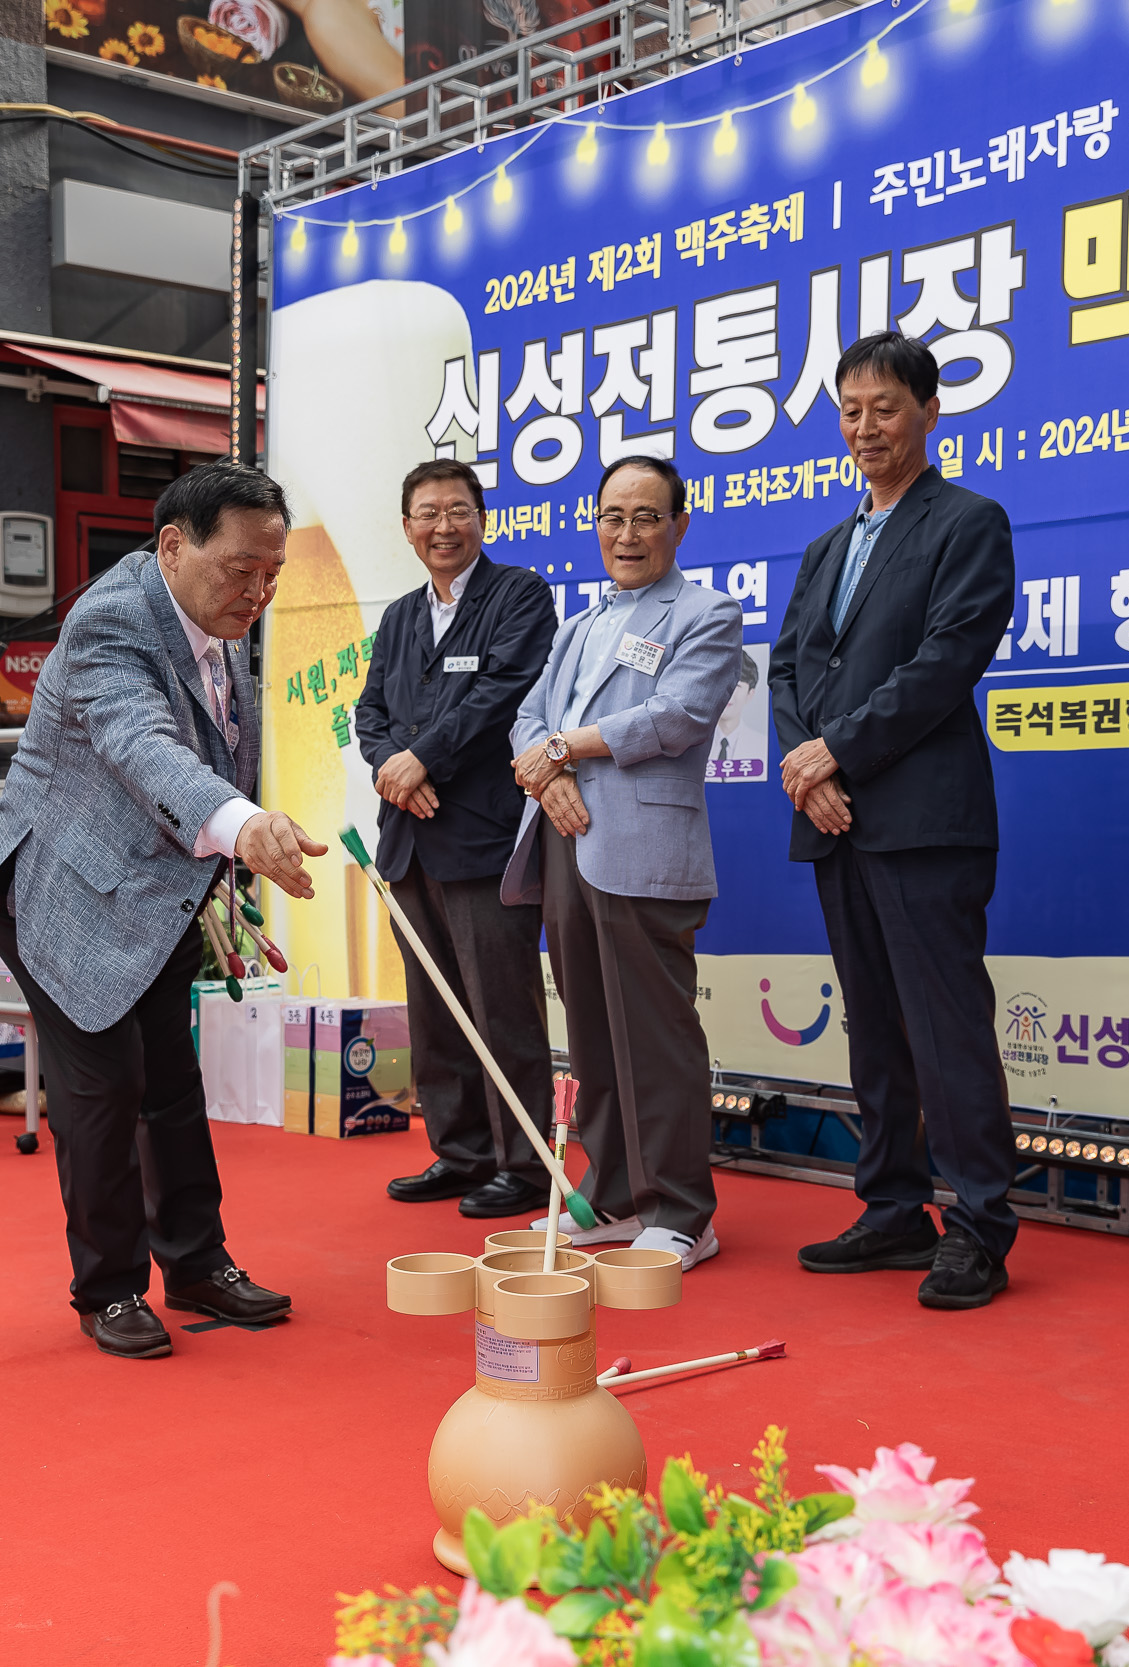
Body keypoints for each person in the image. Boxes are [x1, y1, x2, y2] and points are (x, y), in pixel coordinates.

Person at [0, 462, 328, 1361]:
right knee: (104, 1085)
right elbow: (143, 745)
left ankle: (198, 1261)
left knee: (170, 1078)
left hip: (154, 888)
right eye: (242, 570)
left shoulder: (217, 612)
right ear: (173, 544)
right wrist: (243, 828)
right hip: (61, 886)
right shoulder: (112, 620)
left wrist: (227, 857)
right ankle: (109, 1287)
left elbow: (211, 747)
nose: (259, 591)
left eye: (272, 573)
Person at [768, 331, 1019, 1311]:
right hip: (834, 818)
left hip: (923, 820)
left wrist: (840, 753)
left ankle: (981, 1222)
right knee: (874, 1027)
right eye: (849, 409)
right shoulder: (829, 544)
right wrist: (806, 766)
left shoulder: (967, 521)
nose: (864, 426)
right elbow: (789, 665)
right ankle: (890, 1205)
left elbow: (944, 662)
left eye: (884, 406)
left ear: (928, 410)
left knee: (944, 1028)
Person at [503, 454, 743, 1270]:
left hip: (643, 849)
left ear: (680, 523)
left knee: (656, 1031)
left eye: (647, 516)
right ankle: (609, 1194)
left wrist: (561, 752)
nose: (628, 532)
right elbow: (529, 713)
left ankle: (682, 1211)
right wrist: (549, 771)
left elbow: (676, 716)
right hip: (566, 839)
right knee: (594, 1028)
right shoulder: (580, 623)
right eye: (613, 515)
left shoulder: (707, 612)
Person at [355, 459, 560, 1219]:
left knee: (500, 1004)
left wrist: (421, 759)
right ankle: (461, 1150)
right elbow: (369, 713)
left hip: (480, 837)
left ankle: (525, 1163)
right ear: (407, 528)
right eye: (427, 513)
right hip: (408, 835)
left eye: (458, 510)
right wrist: (391, 767)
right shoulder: (402, 615)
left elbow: (500, 693)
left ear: (483, 517)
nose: (444, 526)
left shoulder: (519, 594)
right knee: (434, 1005)